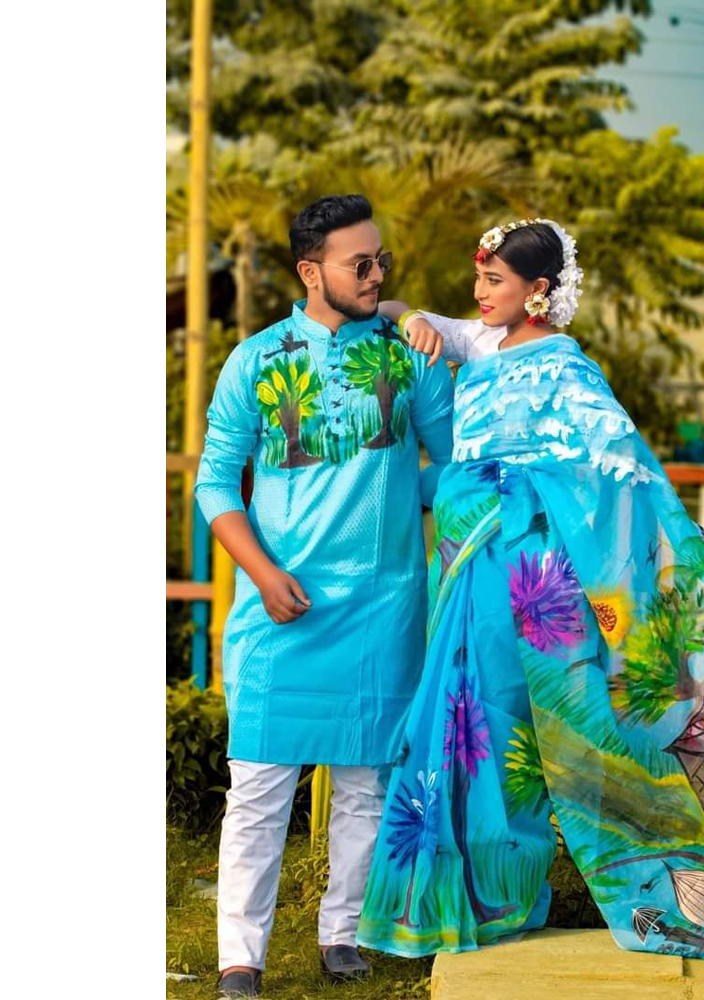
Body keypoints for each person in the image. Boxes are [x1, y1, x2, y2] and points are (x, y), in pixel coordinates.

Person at [359, 219, 704, 960]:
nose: (479, 292)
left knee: (526, 732)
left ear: (537, 290)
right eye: (478, 278)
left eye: (495, 281)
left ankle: (524, 891)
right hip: (470, 574)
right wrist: (413, 316)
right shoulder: (478, 342)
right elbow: (396, 314)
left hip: (537, 585)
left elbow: (621, 482)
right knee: (465, 727)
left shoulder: (569, 372)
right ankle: (462, 903)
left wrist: (517, 488)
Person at [193, 194, 455, 998]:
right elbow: (215, 483)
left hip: (383, 607)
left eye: (382, 261)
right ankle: (241, 957)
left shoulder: (410, 357)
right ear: (312, 273)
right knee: (259, 787)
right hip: (278, 608)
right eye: (361, 264)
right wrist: (262, 574)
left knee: (365, 785)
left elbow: (452, 465)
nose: (377, 275)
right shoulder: (256, 361)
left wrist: (421, 500)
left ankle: (343, 934)